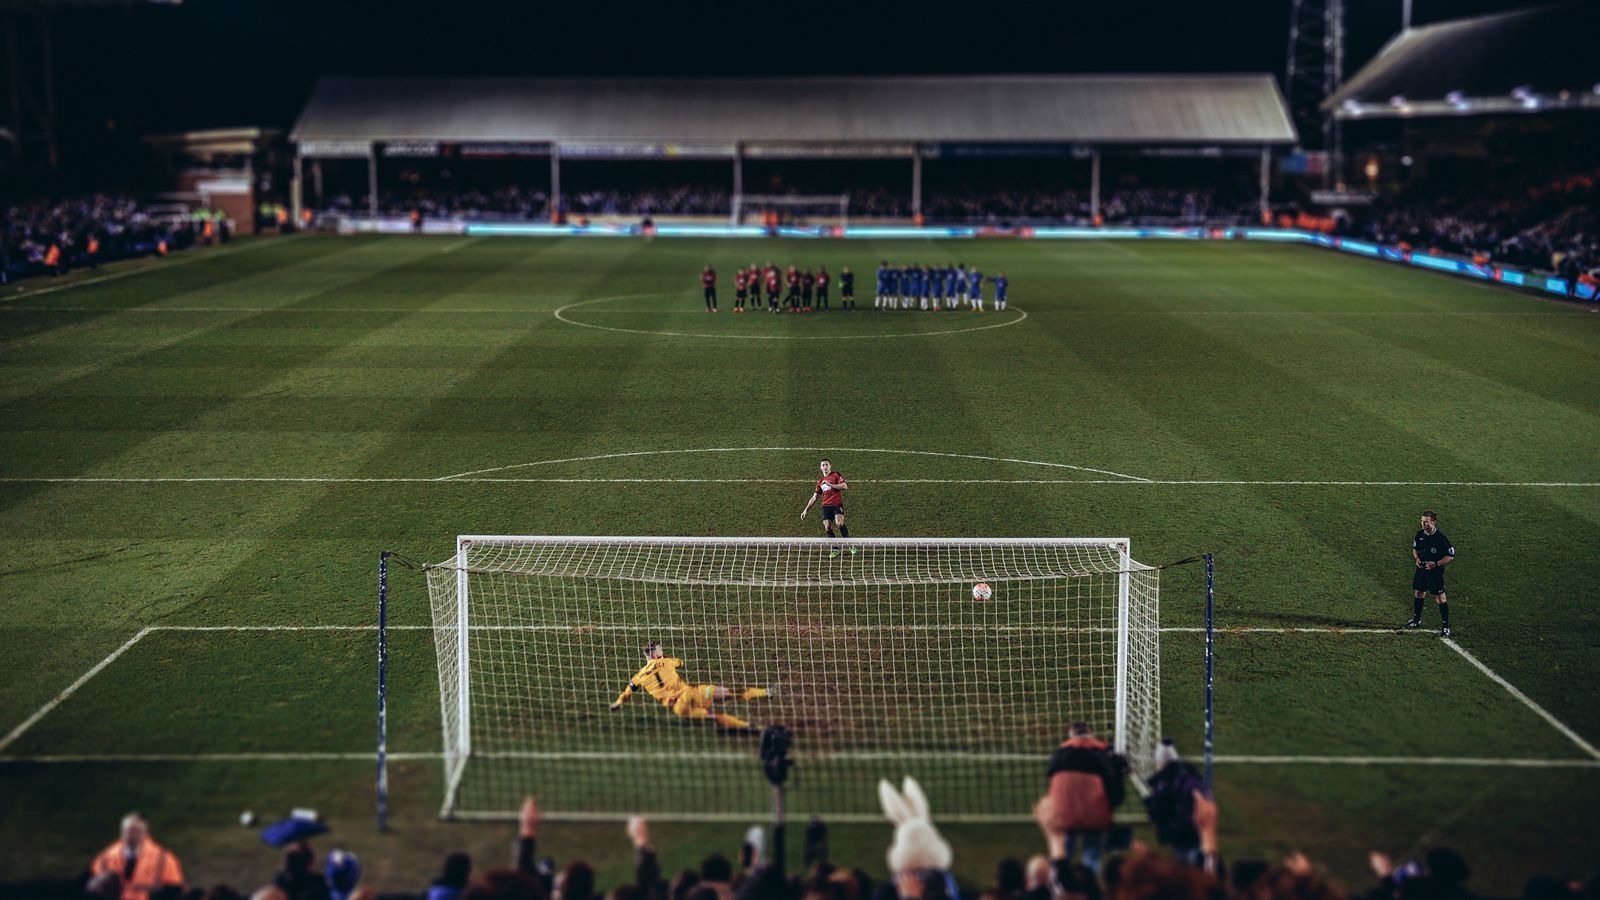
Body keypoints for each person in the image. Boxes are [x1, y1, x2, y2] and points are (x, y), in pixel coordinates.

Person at [610, 641, 769, 729]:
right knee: (729, 693)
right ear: (655, 654)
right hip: (690, 693)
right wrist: (666, 658)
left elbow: (627, 692)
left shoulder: (639, 676)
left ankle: (750, 727)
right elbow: (680, 662)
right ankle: (764, 692)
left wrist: (618, 703)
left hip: (679, 708)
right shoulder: (666, 661)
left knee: (715, 716)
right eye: (660, 650)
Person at [1039, 722, 1126, 875]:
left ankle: (1060, 886)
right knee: (1092, 855)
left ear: (1071, 736)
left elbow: (1053, 782)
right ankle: (1089, 888)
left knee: (1063, 855)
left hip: (1064, 814)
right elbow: (1115, 788)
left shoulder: (1059, 755)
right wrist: (1111, 809)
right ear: (1090, 734)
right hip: (1094, 814)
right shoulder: (1101, 754)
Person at [89, 813, 185, 900]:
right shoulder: (104, 859)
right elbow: (93, 891)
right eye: (128, 831)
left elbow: (175, 891)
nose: (132, 835)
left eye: (137, 831)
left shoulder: (164, 859)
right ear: (122, 832)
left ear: (146, 833)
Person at [1405, 509, 1456, 637]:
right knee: (1419, 592)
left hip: (1435, 572)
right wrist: (1417, 558)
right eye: (1422, 521)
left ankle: (1445, 626)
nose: (1423, 524)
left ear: (1433, 522)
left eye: (1426, 522)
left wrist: (1436, 564)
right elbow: (1415, 549)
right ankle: (1416, 620)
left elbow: (1450, 556)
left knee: (1440, 597)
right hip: (1421, 570)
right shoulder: (1420, 534)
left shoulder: (1441, 538)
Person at [800, 458, 854, 555]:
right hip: (826, 507)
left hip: (837, 505)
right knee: (828, 527)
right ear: (821, 468)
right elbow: (814, 497)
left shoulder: (835, 475)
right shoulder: (820, 482)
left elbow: (844, 486)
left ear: (830, 466)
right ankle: (835, 549)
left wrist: (830, 484)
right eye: (823, 465)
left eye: (826, 464)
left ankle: (850, 544)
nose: (825, 466)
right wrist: (806, 510)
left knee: (839, 523)